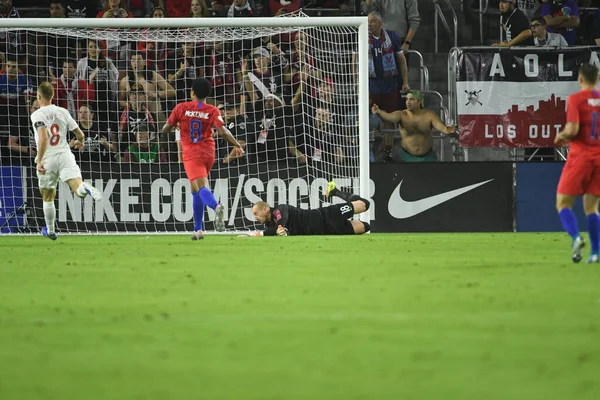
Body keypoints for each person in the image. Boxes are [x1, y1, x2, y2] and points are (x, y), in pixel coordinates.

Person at [162, 77, 244, 240]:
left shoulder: (181, 108)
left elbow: (165, 129)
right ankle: (198, 229)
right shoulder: (212, 110)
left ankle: (216, 206)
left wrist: (175, 124)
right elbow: (222, 132)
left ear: (192, 92)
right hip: (208, 152)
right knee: (195, 190)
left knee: (201, 187)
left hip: (192, 154)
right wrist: (237, 145)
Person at [31, 82, 102, 241]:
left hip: (48, 157)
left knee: (48, 196)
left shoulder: (37, 114)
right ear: (53, 95)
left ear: (39, 96)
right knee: (78, 189)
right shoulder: (62, 111)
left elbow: (43, 137)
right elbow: (80, 133)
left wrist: (40, 160)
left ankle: (50, 231)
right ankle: (85, 187)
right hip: (64, 154)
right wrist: (80, 142)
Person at [554, 63, 600, 263]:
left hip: (581, 157)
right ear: (597, 80)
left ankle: (576, 238)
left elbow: (572, 130)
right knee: (591, 208)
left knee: (563, 203)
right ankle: (596, 252)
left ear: (580, 80)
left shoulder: (575, 100)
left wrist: (560, 136)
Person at [249, 181, 370, 236]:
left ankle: (335, 192)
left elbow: (282, 221)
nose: (255, 217)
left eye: (256, 213)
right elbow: (273, 230)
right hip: (328, 231)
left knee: (365, 204)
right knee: (365, 227)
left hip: (328, 215)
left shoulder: (280, 209)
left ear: (265, 209)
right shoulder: (270, 227)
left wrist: (280, 228)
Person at [371, 90, 456, 162]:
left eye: (412, 99)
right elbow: (389, 117)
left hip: (428, 157)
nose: (408, 102)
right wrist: (378, 111)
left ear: (419, 101)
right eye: (407, 99)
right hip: (407, 156)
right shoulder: (401, 114)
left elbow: (442, 128)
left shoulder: (429, 115)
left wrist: (449, 130)